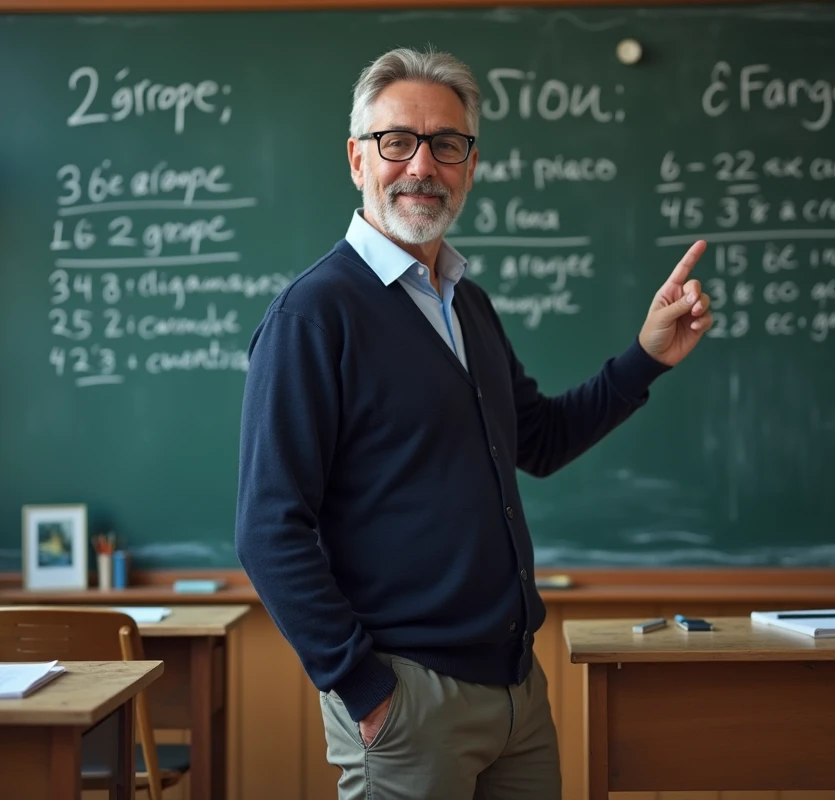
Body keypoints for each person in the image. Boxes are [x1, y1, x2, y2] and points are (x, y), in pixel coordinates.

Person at [235, 46, 711, 800]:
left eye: (446, 144)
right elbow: (269, 526)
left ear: (470, 165)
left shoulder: (466, 303)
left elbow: (541, 440)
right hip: (406, 702)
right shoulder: (314, 315)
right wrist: (364, 690)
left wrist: (645, 357)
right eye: (398, 141)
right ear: (357, 159)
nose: (422, 164)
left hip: (517, 695)